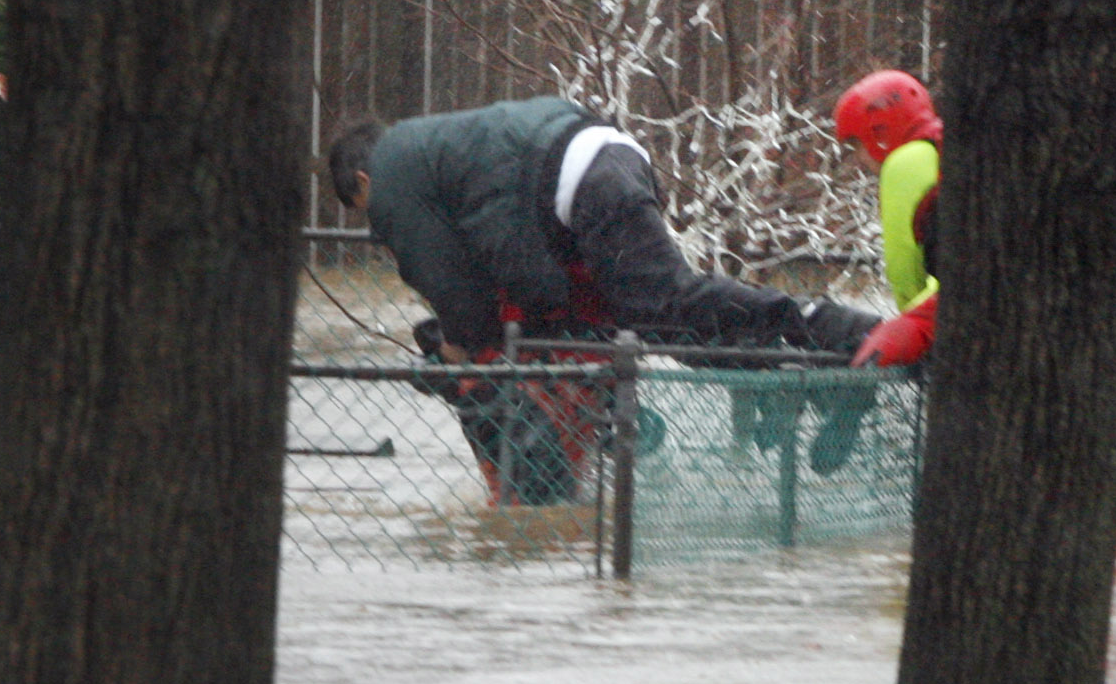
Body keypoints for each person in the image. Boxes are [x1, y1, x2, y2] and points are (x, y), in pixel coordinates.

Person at [329, 99, 876, 501]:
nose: (375, 224)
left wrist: (453, 351)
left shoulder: (393, 178)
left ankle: (829, 325)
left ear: (362, 180)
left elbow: (455, 293)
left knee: (668, 300)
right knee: (655, 321)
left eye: (363, 208)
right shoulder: (432, 152)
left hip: (581, 180)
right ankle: (801, 376)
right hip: (598, 160)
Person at [833, 69, 942, 367]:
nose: (858, 159)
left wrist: (912, 325)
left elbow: (904, 267)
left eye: (857, 144)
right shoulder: (945, 145)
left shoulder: (903, 164)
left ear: (879, 132)